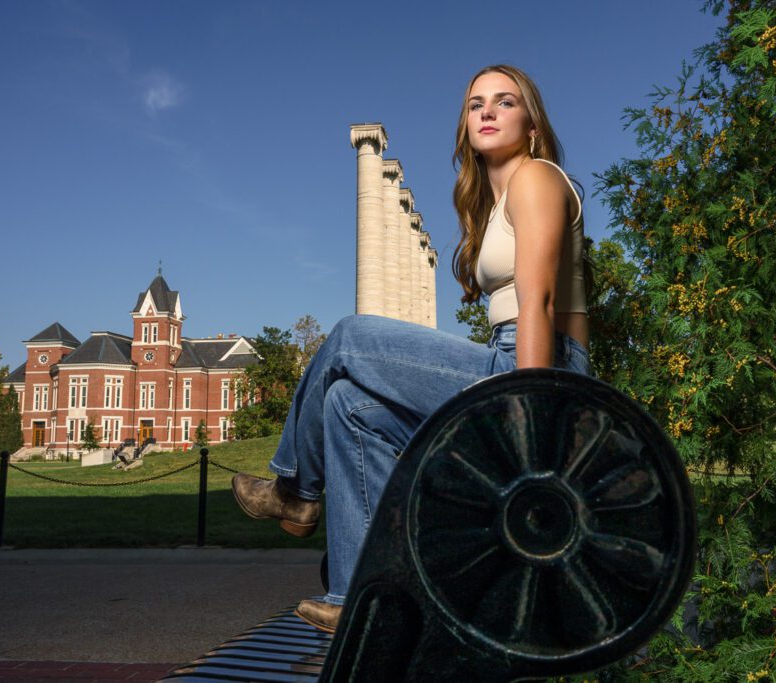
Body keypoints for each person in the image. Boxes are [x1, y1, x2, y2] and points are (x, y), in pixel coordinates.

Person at [231, 64, 590, 633]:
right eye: (476, 104)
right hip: (511, 356)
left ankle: (296, 489)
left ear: (533, 124)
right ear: (466, 124)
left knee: (350, 336)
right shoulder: (498, 201)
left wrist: (531, 412)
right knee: (348, 406)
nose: (488, 112)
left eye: (505, 101)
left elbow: (540, 306)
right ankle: (357, 595)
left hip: (533, 366)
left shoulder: (537, 179)